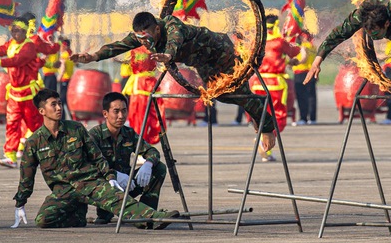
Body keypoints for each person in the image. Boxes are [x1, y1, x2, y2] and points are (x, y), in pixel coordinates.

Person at [70, 11, 276, 153]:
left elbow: (175, 41)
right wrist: (93, 56)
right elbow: (118, 46)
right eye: (140, 39)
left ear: (156, 29)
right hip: (203, 63)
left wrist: (168, 56)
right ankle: (258, 115)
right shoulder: (142, 36)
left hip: (221, 53)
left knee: (237, 95)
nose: (144, 43)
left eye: (147, 38)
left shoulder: (171, 25)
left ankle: (267, 126)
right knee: (220, 96)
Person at [10, 88, 179, 229]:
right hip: (64, 191)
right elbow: (27, 177)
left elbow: (96, 157)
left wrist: (111, 177)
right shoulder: (34, 142)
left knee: (118, 200)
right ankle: (78, 217)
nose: (59, 108)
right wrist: (20, 202)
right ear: (41, 111)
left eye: (60, 103)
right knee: (43, 220)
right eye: (53, 105)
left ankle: (154, 217)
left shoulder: (76, 129)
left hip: (89, 182)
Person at [89, 92, 167, 227]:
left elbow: (152, 151)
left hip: (127, 183)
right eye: (116, 111)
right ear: (105, 114)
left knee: (159, 168)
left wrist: (148, 164)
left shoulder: (128, 133)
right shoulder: (94, 136)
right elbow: (87, 165)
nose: (121, 116)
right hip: (105, 186)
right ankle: (107, 213)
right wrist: (114, 175)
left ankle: (147, 213)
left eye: (124, 111)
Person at [248, 15, 303, 161]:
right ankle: (262, 141)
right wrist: (294, 60)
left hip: (257, 83)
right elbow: (300, 55)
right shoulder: (280, 42)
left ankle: (266, 152)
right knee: (278, 117)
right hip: (275, 84)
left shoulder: (257, 42)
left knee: (260, 116)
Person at [0, 17, 44, 168]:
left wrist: (0, 62)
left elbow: (17, 60)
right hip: (14, 94)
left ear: (25, 32)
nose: (14, 33)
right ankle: (10, 157)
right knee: (12, 124)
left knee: (35, 125)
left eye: (18, 31)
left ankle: (47, 152)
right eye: (13, 30)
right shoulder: (11, 44)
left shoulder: (29, 47)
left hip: (28, 95)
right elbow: (2, 50)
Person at [121, 46, 165, 144]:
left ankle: (140, 148)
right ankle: (148, 145)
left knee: (139, 120)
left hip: (139, 86)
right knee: (157, 118)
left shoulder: (132, 49)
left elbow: (125, 72)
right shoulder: (156, 46)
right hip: (153, 85)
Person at [292, 30, 318, 125]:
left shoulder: (303, 47)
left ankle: (303, 118)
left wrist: (295, 63)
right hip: (312, 72)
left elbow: (304, 58)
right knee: (311, 96)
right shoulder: (313, 47)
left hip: (301, 74)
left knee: (301, 97)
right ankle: (313, 118)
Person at [57, 37, 74, 120]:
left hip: (64, 80)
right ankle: (72, 117)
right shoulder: (71, 54)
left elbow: (63, 66)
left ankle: (62, 118)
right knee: (67, 101)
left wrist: (60, 76)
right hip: (70, 80)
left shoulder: (64, 55)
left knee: (62, 100)